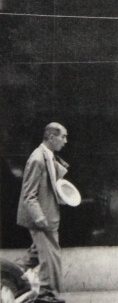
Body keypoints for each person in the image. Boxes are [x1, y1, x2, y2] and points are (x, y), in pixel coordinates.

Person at [17, 122, 69, 303]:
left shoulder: (48, 156)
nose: (65, 141)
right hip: (42, 219)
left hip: (49, 217)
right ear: (52, 137)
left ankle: (8, 277)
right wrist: (39, 217)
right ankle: (46, 294)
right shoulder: (37, 159)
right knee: (49, 257)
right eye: (63, 137)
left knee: (33, 257)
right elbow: (29, 195)